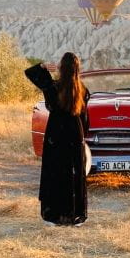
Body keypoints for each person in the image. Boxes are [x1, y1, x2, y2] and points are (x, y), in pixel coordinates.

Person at [25, 53, 90, 226]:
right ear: (77, 69)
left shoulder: (53, 87)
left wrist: (44, 66)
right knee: (75, 173)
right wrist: (83, 137)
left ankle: (54, 216)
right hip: (75, 135)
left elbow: (30, 72)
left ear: (61, 68)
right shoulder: (83, 89)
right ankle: (76, 216)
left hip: (56, 135)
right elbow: (85, 118)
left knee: (55, 173)